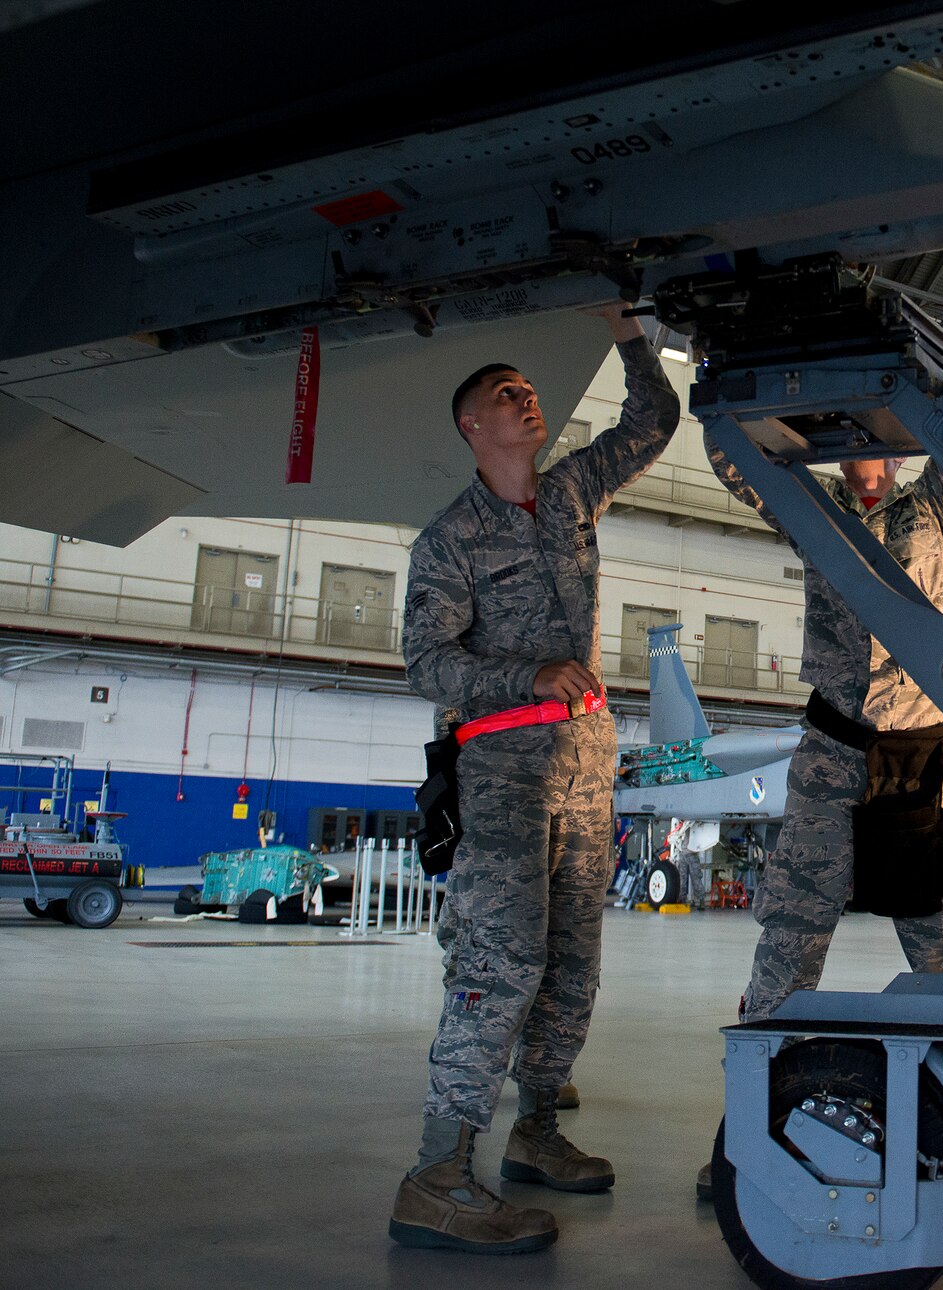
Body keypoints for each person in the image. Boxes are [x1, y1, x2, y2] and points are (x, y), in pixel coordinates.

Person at [390, 306, 679, 1254]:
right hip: (504, 769)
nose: (526, 396)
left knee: (572, 969)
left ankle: (536, 1131)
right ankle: (437, 1173)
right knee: (501, 960)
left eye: (529, 388)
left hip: (586, 766)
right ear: (472, 426)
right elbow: (426, 662)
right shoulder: (450, 539)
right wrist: (527, 675)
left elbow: (654, 422)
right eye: (503, 392)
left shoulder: (569, 495)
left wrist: (632, 336)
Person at [695, 446, 943, 1196]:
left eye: (892, 436)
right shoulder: (812, 505)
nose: (878, 453)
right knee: (787, 944)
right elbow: (735, 462)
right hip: (834, 758)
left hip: (924, 759)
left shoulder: (936, 509)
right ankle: (750, 1135)